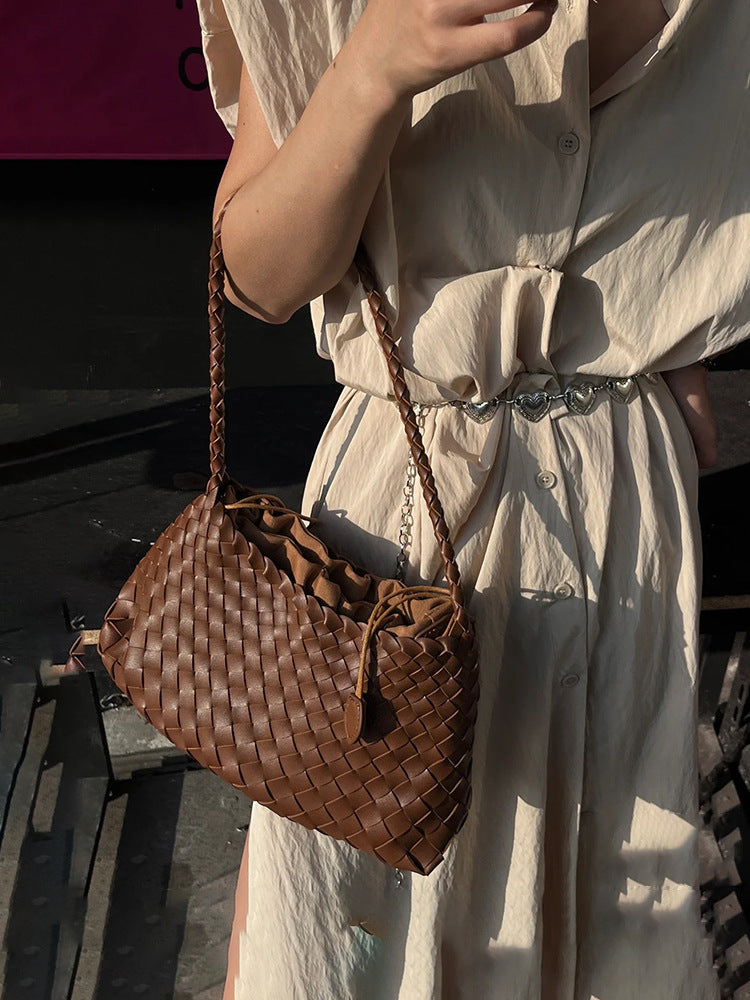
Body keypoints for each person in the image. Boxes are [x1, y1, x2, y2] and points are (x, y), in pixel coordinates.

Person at [195, 0, 748, 997]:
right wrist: (373, 66)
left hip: (628, 511)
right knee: (365, 927)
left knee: (606, 916)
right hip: (402, 514)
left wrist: (673, 322)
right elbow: (258, 278)